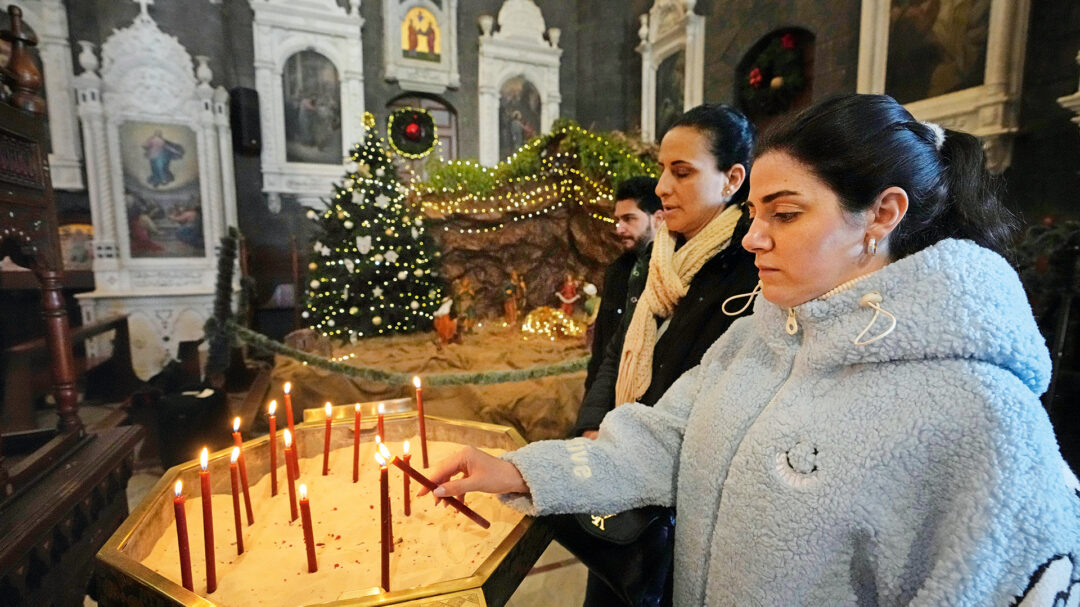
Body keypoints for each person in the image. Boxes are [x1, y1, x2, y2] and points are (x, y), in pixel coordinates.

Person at [423, 94, 1080, 605]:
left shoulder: (982, 414)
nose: (752, 238)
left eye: (785, 214)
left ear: (883, 214)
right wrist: (518, 471)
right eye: (755, 213)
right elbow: (663, 439)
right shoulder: (761, 333)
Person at [563, 104, 761, 607]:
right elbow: (617, 348)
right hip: (619, 460)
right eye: (661, 170)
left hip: (681, 487)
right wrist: (594, 425)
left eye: (682, 172)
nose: (662, 188)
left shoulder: (752, 264)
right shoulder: (657, 256)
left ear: (732, 178)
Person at [583, 176, 664, 392]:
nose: (619, 228)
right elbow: (601, 349)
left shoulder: (671, 275)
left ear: (658, 218)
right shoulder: (616, 272)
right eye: (618, 220)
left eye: (629, 219)